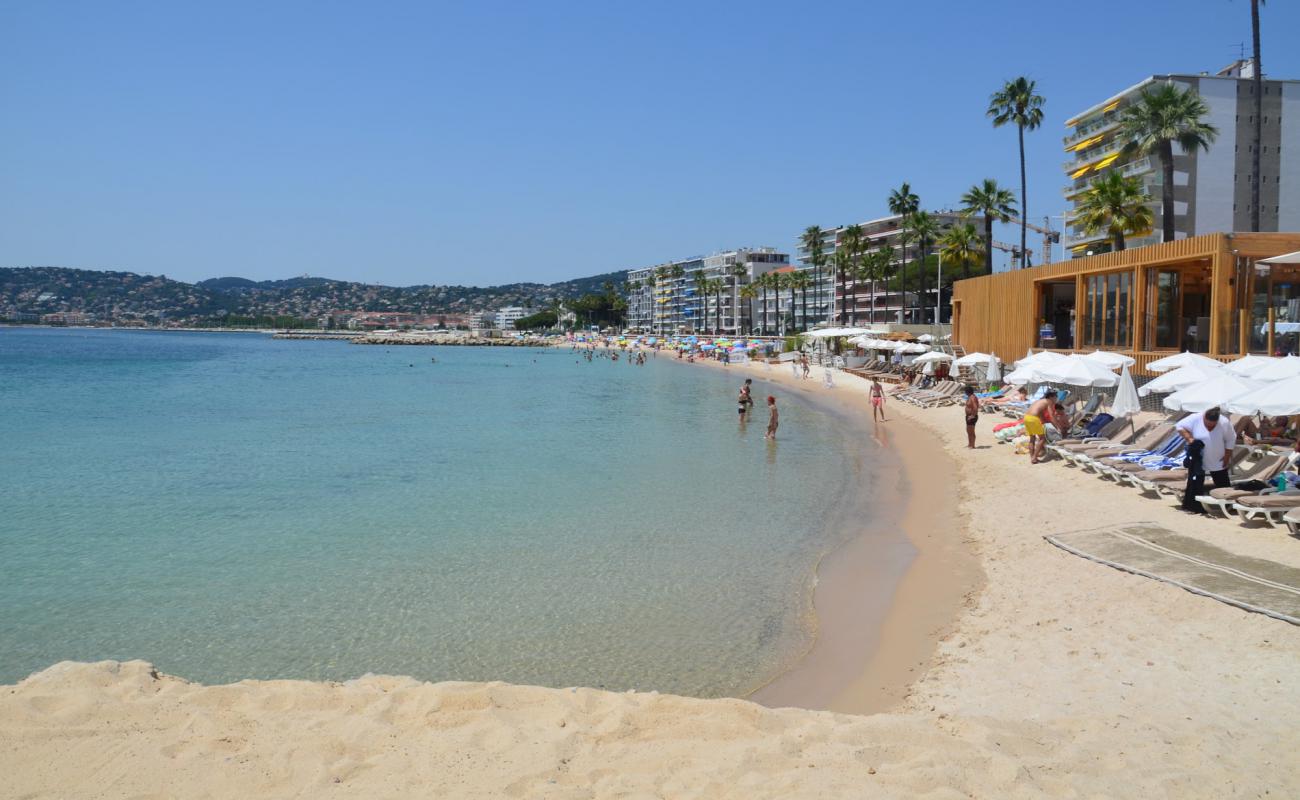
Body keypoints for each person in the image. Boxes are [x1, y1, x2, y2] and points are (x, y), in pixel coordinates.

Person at [1177, 406, 1237, 513]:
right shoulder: (1195, 418)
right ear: (1204, 417)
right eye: (1207, 424)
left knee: (1222, 481)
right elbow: (1179, 426)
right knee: (1195, 482)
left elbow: (1231, 438)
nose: (1210, 427)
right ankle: (1193, 506)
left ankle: (1229, 506)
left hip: (1218, 457)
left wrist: (1227, 455)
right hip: (1198, 457)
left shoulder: (1224, 422)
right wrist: (1189, 438)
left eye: (1212, 425)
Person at [1023, 389, 1057, 464]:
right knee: (1042, 438)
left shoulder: (1040, 401)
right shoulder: (1049, 402)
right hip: (1033, 419)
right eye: (1056, 396)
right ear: (1051, 397)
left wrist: (1045, 422)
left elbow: (1041, 415)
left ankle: (1032, 457)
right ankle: (1034, 457)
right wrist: (1056, 426)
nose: (1056, 398)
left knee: (1032, 438)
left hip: (1026, 417)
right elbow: (1052, 415)